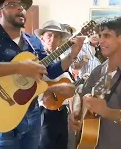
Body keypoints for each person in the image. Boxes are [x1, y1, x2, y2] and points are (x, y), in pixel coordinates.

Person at [0, 0, 84, 149]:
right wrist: (18, 67)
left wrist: (72, 55)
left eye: (22, 6)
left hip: (31, 114)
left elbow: (50, 70)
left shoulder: (32, 41)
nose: (20, 9)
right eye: (12, 5)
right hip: (0, 113)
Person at [69, 17, 121, 149]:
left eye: (107, 35)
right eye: (100, 36)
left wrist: (107, 112)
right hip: (90, 142)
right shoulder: (99, 70)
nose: (101, 41)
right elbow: (81, 92)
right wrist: (77, 112)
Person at [35, 20, 74, 149]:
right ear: (42, 38)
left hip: (62, 112)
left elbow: (70, 85)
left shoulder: (61, 60)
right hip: (45, 113)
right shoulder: (36, 61)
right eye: (49, 35)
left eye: (56, 36)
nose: (52, 39)